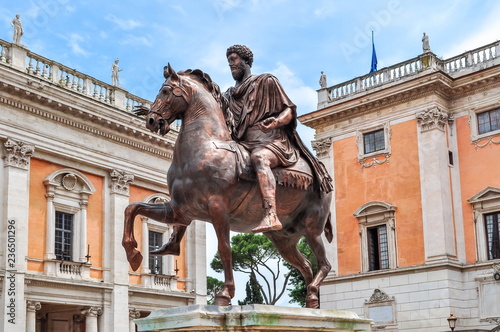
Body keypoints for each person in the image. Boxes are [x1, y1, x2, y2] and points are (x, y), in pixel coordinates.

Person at [223, 44, 333, 233]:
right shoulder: (229, 95)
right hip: (243, 143)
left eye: (234, 60)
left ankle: (270, 213)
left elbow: (289, 110)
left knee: (260, 158)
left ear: (246, 61)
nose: (231, 64)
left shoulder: (266, 81)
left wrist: (275, 122)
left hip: (272, 141)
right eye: (229, 61)